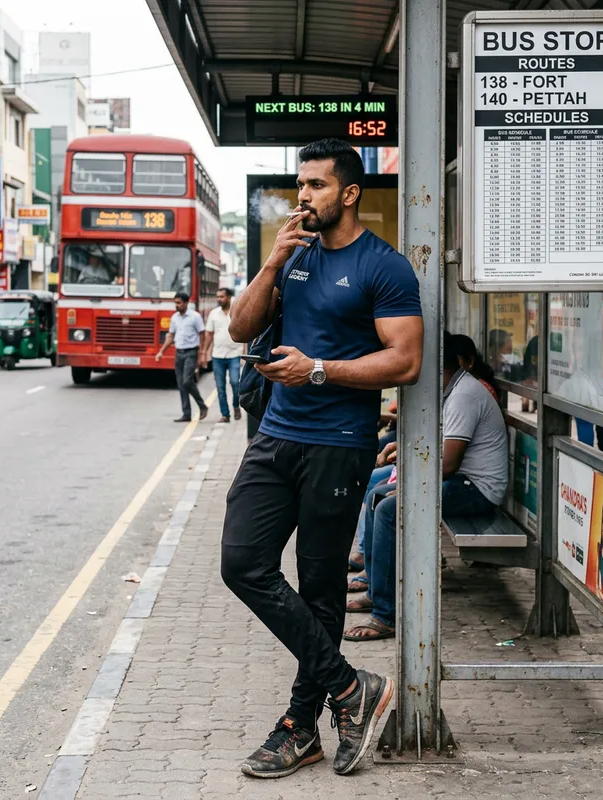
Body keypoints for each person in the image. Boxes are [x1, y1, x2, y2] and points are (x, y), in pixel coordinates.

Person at [220, 138, 423, 779]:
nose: (303, 196)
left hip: (339, 443)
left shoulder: (383, 268)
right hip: (277, 437)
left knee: (322, 587)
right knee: (242, 562)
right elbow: (239, 329)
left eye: (316, 185)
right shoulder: (295, 256)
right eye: (300, 185)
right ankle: (350, 686)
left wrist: (317, 371)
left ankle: (300, 725)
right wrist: (272, 265)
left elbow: (406, 361)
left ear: (350, 193)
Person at [345, 332, 508, 640]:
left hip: (476, 489)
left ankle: (386, 615)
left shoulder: (463, 396)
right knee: (379, 490)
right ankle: (375, 582)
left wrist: (409, 484)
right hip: (460, 481)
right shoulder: (451, 389)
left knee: (390, 509)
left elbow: (447, 464)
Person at [155, 292, 208, 422]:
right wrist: (161, 351)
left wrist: (202, 353)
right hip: (179, 353)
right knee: (181, 384)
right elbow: (170, 336)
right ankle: (186, 414)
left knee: (187, 381)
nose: (176, 305)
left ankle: (202, 406)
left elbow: (202, 334)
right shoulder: (174, 318)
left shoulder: (195, 317)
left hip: (191, 352)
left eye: (179, 303)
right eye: (175, 303)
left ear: (186, 303)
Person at [201, 287, 243, 422]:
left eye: (222, 297)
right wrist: (203, 353)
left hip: (235, 354)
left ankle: (236, 405)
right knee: (220, 387)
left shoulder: (237, 312)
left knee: (235, 382)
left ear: (229, 297)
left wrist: (245, 353)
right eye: (218, 297)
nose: (219, 299)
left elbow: (245, 332)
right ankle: (225, 414)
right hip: (217, 356)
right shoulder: (213, 314)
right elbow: (209, 334)